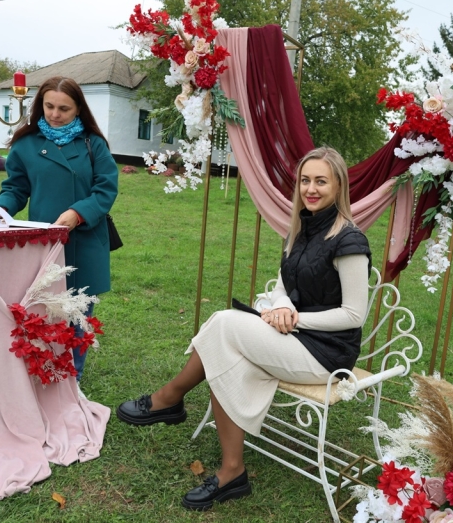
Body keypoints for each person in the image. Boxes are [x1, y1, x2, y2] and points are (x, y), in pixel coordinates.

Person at [116, 146, 371, 511]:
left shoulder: (349, 240)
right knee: (225, 351)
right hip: (293, 336)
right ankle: (231, 471)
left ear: (338, 187)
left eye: (321, 182)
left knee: (223, 323)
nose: (311, 189)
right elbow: (285, 285)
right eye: (305, 180)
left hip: (327, 355)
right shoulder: (300, 229)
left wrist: (295, 318)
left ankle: (170, 399)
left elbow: (353, 315)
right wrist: (282, 306)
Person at [0, 76, 118, 382]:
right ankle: (41, 375)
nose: (55, 114)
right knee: (42, 313)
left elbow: (106, 190)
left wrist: (77, 213)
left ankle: (72, 381)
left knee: (78, 316)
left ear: (79, 109)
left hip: (85, 243)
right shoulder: (26, 144)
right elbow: (16, 189)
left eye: (64, 109)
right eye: (49, 106)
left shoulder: (93, 144)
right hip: (41, 243)